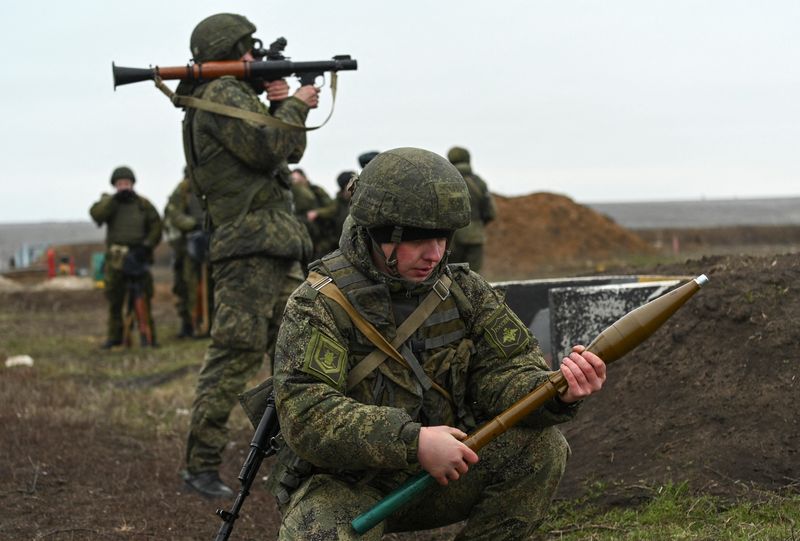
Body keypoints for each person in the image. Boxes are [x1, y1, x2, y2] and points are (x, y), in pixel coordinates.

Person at [267, 148, 606, 540]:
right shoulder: (319, 302)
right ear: (378, 233)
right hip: (349, 487)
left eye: (443, 239)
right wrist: (413, 442)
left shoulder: (464, 292)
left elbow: (504, 373)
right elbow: (307, 414)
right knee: (317, 533)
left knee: (542, 449)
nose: (435, 254)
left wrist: (552, 393)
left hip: (444, 473)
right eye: (418, 241)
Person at [177, 12, 319, 499]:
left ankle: (307, 454)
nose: (252, 58)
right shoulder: (218, 94)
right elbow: (270, 148)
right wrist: (296, 104)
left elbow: (284, 149)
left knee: (299, 358)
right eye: (247, 51)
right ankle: (200, 466)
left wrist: (283, 104)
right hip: (249, 251)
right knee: (235, 356)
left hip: (271, 248)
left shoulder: (226, 95)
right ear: (231, 50)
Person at [89, 166, 162, 349]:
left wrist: (147, 246)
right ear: (115, 185)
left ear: (133, 184)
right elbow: (96, 214)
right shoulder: (110, 204)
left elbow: (156, 225)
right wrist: (112, 200)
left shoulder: (143, 204)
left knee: (142, 297)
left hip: (138, 256)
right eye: (120, 184)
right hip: (116, 259)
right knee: (115, 299)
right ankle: (115, 337)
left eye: (127, 183)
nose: (124, 187)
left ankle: (148, 336)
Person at [163, 168, 209, 338]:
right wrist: (194, 225)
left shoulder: (212, 184)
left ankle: (208, 323)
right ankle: (189, 323)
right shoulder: (183, 189)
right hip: (188, 245)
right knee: (187, 284)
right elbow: (175, 214)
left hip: (211, 241)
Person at [446, 146, 496, 273]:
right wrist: (476, 226)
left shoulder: (445, 182)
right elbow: (490, 212)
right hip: (475, 237)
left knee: (449, 276)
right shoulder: (479, 183)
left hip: (451, 238)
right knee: (473, 277)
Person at [290, 167, 336, 261]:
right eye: (293, 180)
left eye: (297, 180)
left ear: (305, 178)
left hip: (321, 235)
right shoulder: (291, 194)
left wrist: (317, 213)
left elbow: (332, 208)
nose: (296, 183)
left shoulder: (316, 191)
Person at [308, 170, 355, 253]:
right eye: (353, 182)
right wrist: (317, 213)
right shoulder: (337, 203)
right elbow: (330, 211)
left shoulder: (360, 200)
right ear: (345, 186)